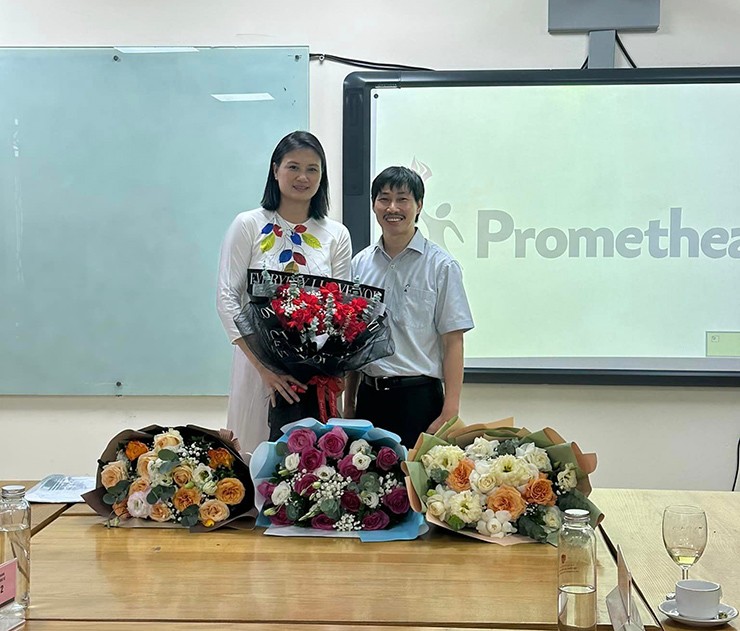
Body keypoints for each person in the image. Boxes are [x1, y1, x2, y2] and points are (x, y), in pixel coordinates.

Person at [217, 131, 352, 453]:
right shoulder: (248, 225)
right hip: (258, 370)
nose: (303, 177)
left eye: (312, 169)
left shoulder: (336, 234)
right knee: (255, 455)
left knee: (313, 462)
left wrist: (335, 371)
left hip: (315, 374)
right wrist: (265, 369)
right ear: (275, 169)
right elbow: (227, 299)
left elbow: (343, 310)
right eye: (293, 167)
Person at [344, 166, 474, 448]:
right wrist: (349, 404)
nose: (392, 208)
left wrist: (450, 411)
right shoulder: (359, 265)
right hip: (369, 399)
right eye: (384, 199)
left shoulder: (441, 266)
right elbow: (353, 342)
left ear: (419, 206)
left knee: (416, 477)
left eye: (402, 199)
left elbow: (453, 341)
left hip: (420, 400)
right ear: (374, 205)